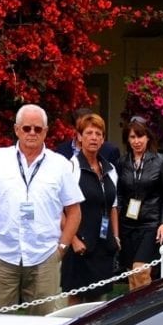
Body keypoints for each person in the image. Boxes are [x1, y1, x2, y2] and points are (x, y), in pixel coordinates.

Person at [0, 104, 83, 315]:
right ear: (17, 129)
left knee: (43, 322)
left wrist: (62, 248)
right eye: (27, 128)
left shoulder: (60, 165)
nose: (32, 133)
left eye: (38, 129)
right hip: (2, 254)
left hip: (45, 256)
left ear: (45, 132)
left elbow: (74, 212)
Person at [61, 113, 119, 304]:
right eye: (89, 133)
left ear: (103, 139)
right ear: (79, 137)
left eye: (98, 134)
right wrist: (73, 240)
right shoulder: (71, 167)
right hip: (80, 245)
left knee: (98, 304)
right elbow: (60, 209)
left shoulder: (110, 169)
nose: (94, 137)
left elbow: (113, 206)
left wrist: (116, 237)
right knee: (75, 301)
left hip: (103, 244)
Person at [117, 116, 163, 290]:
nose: (137, 141)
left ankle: (146, 305)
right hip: (127, 224)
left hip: (150, 224)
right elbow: (119, 194)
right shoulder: (122, 162)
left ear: (148, 137)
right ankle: (134, 306)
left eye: (140, 136)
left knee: (140, 270)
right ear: (127, 139)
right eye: (132, 137)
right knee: (131, 274)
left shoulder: (160, 161)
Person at [54, 107, 121, 170]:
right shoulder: (61, 150)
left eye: (97, 133)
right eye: (89, 132)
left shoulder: (110, 151)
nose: (93, 137)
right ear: (74, 129)